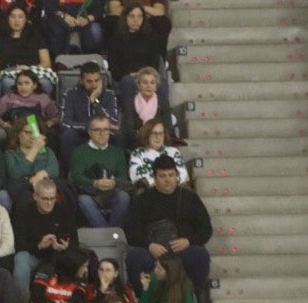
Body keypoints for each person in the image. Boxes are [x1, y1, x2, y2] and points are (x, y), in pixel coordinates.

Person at [126, 156, 212, 288]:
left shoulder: (190, 198)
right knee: (134, 257)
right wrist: (149, 245)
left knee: (199, 255)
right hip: (153, 252)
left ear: (177, 176)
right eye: (162, 176)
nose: (167, 180)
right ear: (154, 177)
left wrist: (188, 241)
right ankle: (144, 302)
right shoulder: (142, 200)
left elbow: (206, 229)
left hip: (182, 250)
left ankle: (193, 299)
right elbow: (131, 231)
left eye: (171, 175)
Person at [69, 117, 130, 228]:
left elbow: (124, 176)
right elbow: (77, 176)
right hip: (91, 194)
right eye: (97, 130)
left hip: (112, 193)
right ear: (90, 132)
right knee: (83, 200)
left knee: (124, 197)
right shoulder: (79, 152)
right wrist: (94, 183)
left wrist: (114, 182)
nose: (102, 134)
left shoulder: (117, 152)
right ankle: (109, 234)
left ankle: (109, 233)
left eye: (105, 130)